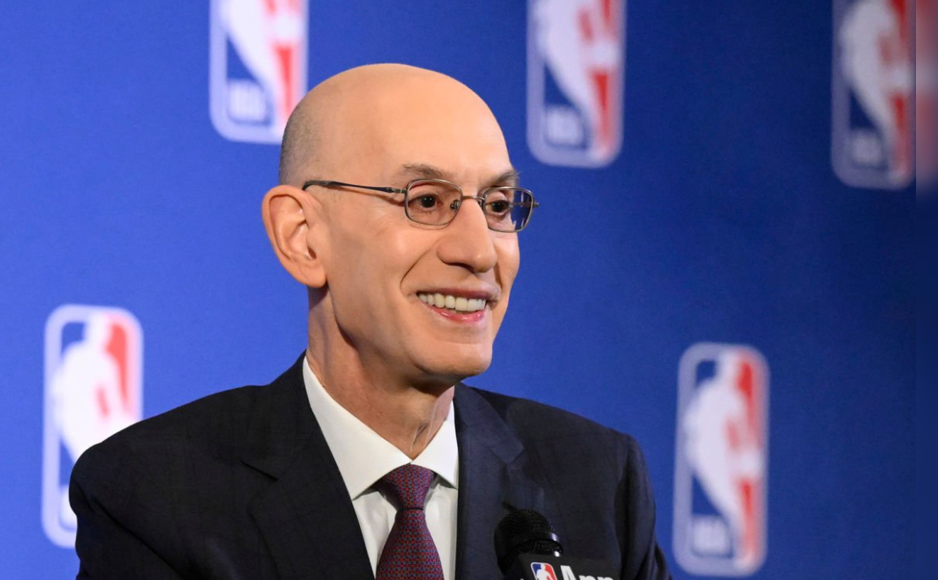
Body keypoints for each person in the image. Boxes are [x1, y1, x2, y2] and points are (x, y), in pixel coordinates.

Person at [70, 63, 670, 580]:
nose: (479, 251)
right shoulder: (159, 492)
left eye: (495, 206)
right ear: (302, 237)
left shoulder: (598, 480)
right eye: (426, 201)